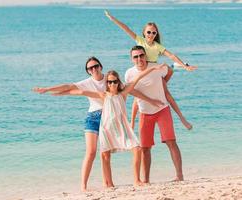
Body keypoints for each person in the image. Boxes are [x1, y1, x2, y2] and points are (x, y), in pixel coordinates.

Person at [33, 56, 162, 190]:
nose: (112, 84)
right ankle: (96, 185)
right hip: (100, 122)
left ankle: (130, 181)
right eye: (110, 82)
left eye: (114, 82)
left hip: (116, 124)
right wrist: (53, 91)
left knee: (131, 149)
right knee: (97, 153)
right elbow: (79, 91)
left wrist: (154, 70)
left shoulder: (118, 87)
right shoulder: (101, 92)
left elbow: (137, 80)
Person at [105, 10, 197, 130]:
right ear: (144, 32)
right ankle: (132, 124)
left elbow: (171, 56)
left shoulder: (157, 46)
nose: (151, 35)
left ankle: (182, 118)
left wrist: (185, 66)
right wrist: (113, 19)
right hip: (142, 70)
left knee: (167, 92)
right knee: (136, 97)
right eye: (149, 32)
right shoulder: (140, 41)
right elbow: (126, 28)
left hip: (154, 70)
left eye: (154, 33)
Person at [125, 45, 184, 184]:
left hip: (162, 109)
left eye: (141, 55)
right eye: (136, 56)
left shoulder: (156, 67)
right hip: (145, 113)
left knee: (171, 142)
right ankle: (146, 180)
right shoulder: (129, 74)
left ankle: (180, 176)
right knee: (145, 148)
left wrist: (163, 83)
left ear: (145, 55)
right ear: (132, 59)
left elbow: (169, 71)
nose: (139, 59)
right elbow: (131, 92)